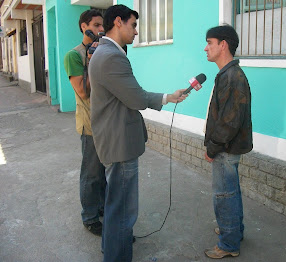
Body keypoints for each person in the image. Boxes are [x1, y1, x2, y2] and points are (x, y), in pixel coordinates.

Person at [88, 4, 187, 262]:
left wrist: (166, 97)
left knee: (115, 206)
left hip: (114, 139)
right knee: (123, 211)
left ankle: (110, 250)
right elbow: (136, 97)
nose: (136, 32)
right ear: (118, 22)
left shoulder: (106, 52)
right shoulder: (111, 55)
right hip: (119, 144)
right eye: (133, 25)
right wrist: (167, 97)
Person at [203, 25, 253, 259]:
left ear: (223, 45)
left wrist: (212, 148)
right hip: (227, 146)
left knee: (224, 195)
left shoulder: (232, 77)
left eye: (210, 42)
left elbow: (229, 122)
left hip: (224, 148)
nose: (206, 48)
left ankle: (228, 243)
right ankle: (233, 231)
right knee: (230, 192)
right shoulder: (228, 74)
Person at [63, 9, 106, 236]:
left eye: (102, 25)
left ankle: (101, 208)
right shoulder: (75, 55)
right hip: (89, 125)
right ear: (84, 26)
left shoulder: (102, 51)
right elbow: (83, 91)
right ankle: (89, 217)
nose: (101, 29)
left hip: (107, 124)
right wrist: (90, 60)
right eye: (97, 25)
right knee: (91, 174)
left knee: (104, 173)